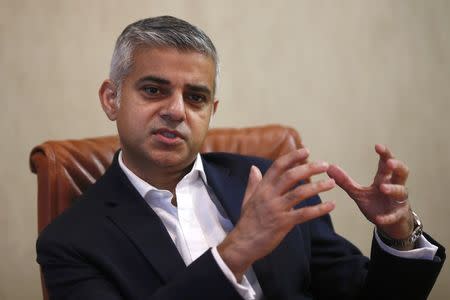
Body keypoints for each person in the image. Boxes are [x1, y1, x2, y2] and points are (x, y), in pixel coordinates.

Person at [36, 16, 445, 300]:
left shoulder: (273, 185)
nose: (177, 111)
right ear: (112, 99)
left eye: (195, 97)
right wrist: (237, 250)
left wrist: (398, 233)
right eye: (154, 90)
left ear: (211, 112)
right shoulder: (71, 241)